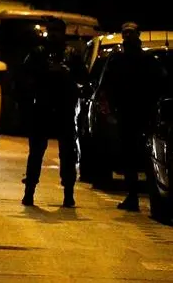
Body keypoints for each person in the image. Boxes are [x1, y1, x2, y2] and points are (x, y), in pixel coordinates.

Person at [20, 17, 86, 208]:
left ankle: (68, 193)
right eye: (51, 30)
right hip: (42, 108)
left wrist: (67, 74)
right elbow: (25, 77)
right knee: (36, 153)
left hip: (64, 109)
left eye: (57, 30)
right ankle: (29, 191)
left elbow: (83, 78)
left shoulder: (71, 54)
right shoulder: (38, 53)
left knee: (67, 153)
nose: (54, 33)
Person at [102, 22, 165, 211]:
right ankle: (133, 196)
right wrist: (111, 109)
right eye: (125, 33)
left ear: (138, 34)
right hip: (126, 115)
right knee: (129, 157)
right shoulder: (117, 60)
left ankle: (153, 198)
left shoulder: (148, 60)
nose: (127, 36)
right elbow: (107, 86)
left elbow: (159, 85)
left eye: (131, 33)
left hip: (144, 115)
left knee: (146, 157)